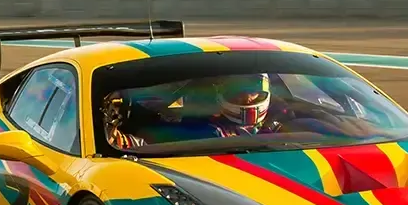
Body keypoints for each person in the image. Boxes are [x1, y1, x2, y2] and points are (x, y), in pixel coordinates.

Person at [106, 74, 284, 149]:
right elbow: (146, 146)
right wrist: (117, 137)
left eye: (252, 90)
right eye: (238, 91)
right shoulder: (201, 130)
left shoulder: (286, 124)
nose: (247, 97)